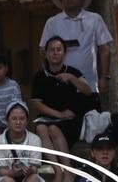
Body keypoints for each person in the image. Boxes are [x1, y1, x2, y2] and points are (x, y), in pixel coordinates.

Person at [39, 0, 112, 98]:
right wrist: (48, 74)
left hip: (89, 86)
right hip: (60, 87)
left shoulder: (94, 19)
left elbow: (105, 49)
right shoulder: (52, 22)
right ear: (61, 0)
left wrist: (105, 77)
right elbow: (42, 50)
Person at [31, 36, 93, 174]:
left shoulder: (73, 72)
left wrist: (71, 78)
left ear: (64, 53)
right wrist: (59, 114)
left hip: (71, 119)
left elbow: (88, 91)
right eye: (51, 50)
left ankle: (68, 171)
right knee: (41, 128)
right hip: (50, 117)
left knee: (53, 128)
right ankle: (58, 171)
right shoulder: (40, 76)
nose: (55, 53)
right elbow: (37, 104)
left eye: (59, 50)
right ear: (46, 53)